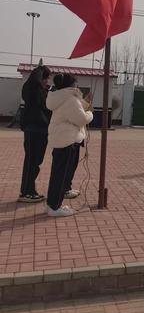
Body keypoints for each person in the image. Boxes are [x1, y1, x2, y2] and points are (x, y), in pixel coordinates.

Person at [45, 73, 93, 217]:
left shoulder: (61, 96)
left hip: (62, 140)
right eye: (75, 83)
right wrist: (90, 113)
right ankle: (55, 207)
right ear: (71, 85)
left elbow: (75, 109)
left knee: (57, 175)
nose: (77, 85)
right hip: (67, 141)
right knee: (61, 176)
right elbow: (81, 118)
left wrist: (85, 102)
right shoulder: (70, 99)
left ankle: (52, 204)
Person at [19, 65, 52, 203]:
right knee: (33, 161)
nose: (48, 81)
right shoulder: (35, 91)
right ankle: (28, 192)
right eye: (46, 78)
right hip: (36, 130)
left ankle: (27, 190)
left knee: (33, 161)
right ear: (41, 78)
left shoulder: (31, 89)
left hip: (35, 131)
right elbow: (46, 107)